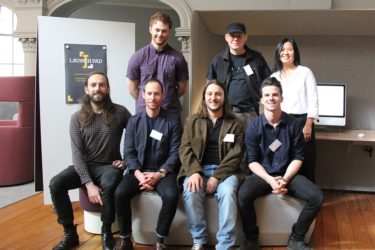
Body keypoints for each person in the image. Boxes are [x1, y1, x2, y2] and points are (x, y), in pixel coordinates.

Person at [238, 77, 324, 250]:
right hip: (262, 174)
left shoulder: (293, 125)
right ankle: (251, 238)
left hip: (289, 174)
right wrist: (270, 180)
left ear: (282, 98)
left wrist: (284, 179)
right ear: (261, 100)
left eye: (275, 95)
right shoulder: (253, 127)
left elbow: (298, 157)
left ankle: (297, 239)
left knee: (317, 197)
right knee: (243, 195)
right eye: (267, 95)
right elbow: (252, 161)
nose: (271, 98)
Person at [49, 72, 131, 250]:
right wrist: (88, 183)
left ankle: (106, 231)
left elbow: (136, 136)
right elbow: (77, 154)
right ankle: (70, 233)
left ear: (107, 89)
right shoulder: (76, 118)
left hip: (109, 166)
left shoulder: (120, 112)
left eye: (102, 85)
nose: (97, 88)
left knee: (109, 183)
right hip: (84, 166)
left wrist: (127, 161)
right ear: (86, 89)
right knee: (56, 183)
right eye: (93, 85)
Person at [114, 79, 182, 250]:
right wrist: (138, 175)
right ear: (143, 95)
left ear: (163, 95)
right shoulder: (134, 121)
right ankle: (125, 238)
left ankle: (160, 239)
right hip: (138, 171)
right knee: (120, 193)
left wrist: (159, 174)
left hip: (163, 172)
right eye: (149, 93)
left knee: (172, 195)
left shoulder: (173, 121)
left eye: (156, 93)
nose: (152, 97)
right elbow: (128, 152)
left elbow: (175, 153)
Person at [178, 80, 244, 250]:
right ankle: (199, 240)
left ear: (224, 97)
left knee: (228, 192)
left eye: (218, 94)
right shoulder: (192, 120)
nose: (213, 98)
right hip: (198, 169)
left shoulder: (235, 123)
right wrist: (193, 172)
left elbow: (236, 154)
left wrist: (216, 176)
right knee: (191, 189)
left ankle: (225, 244)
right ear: (204, 97)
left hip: (227, 172)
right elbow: (184, 149)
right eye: (210, 94)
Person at [270, 38, 319, 182]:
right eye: (283, 49)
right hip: (281, 122)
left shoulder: (305, 72)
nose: (286, 52)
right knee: (280, 156)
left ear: (295, 52)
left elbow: (313, 99)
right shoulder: (274, 76)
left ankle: (309, 196)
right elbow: (272, 102)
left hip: (302, 122)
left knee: (306, 160)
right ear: (278, 53)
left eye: (290, 49)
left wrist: (309, 124)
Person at [207, 22, 271, 125]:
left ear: (245, 37)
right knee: (228, 141)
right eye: (232, 36)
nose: (235, 39)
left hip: (251, 112)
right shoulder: (218, 60)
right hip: (227, 113)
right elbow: (209, 85)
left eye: (239, 36)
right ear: (226, 37)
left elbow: (269, 82)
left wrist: (266, 102)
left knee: (253, 140)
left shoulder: (256, 58)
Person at [126, 12, 189, 115]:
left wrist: (168, 98)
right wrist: (146, 101)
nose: (160, 34)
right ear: (150, 29)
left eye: (164, 31)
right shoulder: (137, 57)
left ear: (169, 31)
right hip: (144, 113)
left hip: (170, 112)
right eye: (157, 30)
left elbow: (182, 88)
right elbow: (132, 88)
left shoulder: (178, 58)